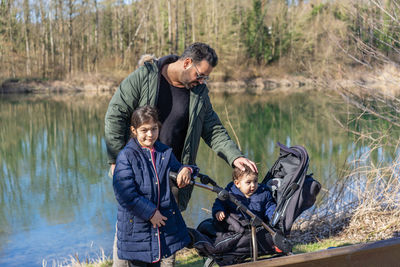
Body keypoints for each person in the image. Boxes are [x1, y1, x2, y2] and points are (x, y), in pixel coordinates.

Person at [105, 42, 258, 266]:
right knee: (131, 234)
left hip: (174, 176)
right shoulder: (145, 77)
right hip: (138, 173)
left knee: (169, 240)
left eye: (206, 77)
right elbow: (115, 115)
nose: (202, 80)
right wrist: (116, 159)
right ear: (187, 63)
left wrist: (234, 156)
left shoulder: (198, 92)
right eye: (200, 74)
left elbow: (212, 127)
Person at [113, 106, 195, 267]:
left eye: (154, 129)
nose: (150, 134)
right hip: (137, 229)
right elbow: (125, 194)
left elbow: (179, 168)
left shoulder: (164, 152)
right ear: (134, 130)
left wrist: (187, 169)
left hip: (160, 228)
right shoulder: (126, 156)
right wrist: (150, 213)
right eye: (144, 130)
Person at [212, 165, 276, 229]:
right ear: (237, 183)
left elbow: (270, 206)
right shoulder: (230, 192)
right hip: (236, 225)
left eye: (255, 181)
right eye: (248, 182)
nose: (253, 185)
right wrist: (218, 211)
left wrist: (272, 216)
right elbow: (220, 202)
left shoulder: (263, 193)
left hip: (256, 227)